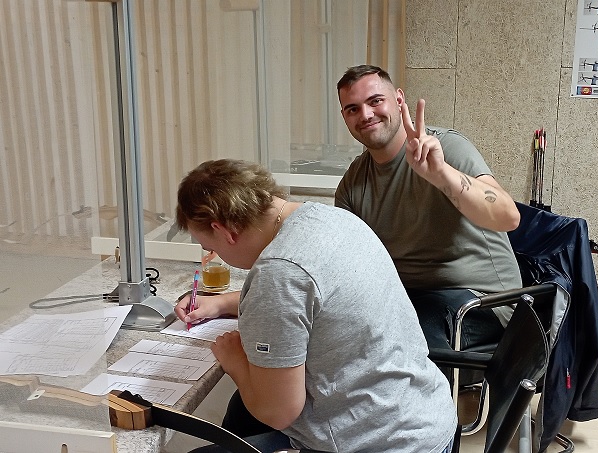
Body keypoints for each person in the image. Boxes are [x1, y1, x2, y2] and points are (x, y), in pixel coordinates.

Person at [174, 159, 457, 453]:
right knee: (239, 418)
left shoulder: (279, 272)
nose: (214, 254)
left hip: (377, 442)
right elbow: (318, 301)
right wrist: (221, 302)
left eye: (211, 247)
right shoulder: (332, 219)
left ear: (224, 231)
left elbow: (278, 412)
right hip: (425, 417)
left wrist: (235, 361)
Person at [334, 65, 523, 353]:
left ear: (399, 100)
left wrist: (442, 174)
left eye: (375, 101)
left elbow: (508, 217)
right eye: (353, 109)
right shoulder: (353, 183)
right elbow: (349, 265)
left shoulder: (446, 148)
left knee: (406, 338)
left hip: (481, 301)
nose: (366, 114)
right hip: (405, 299)